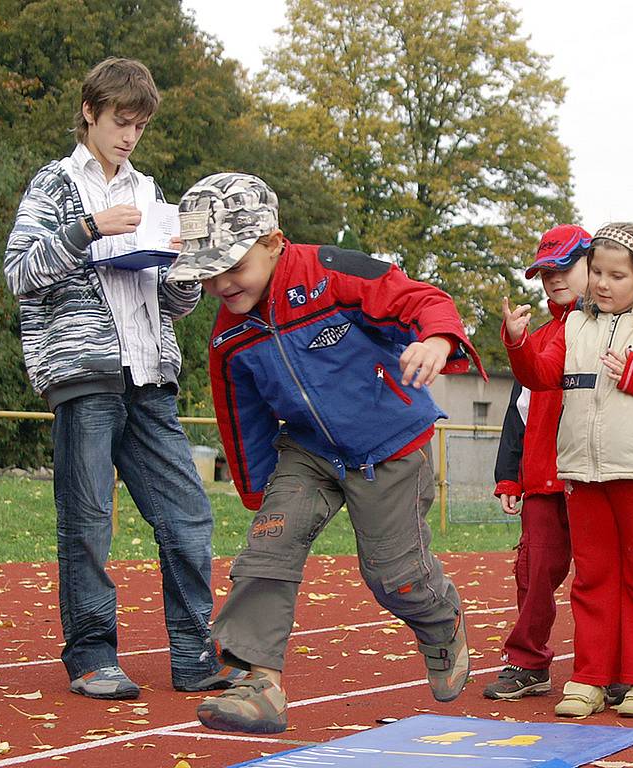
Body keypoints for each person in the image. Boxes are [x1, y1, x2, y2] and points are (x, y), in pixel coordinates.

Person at [165, 172, 487, 734]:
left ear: (272, 242)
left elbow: (419, 297)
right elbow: (240, 419)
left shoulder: (330, 274)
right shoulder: (229, 336)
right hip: (309, 452)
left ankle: (440, 621)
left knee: (393, 575)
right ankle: (257, 683)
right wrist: (259, 492)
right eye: (207, 275)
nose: (221, 285)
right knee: (269, 550)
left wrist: (437, 338)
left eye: (232, 267)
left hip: (389, 445)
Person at [4, 58, 236, 699]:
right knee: (88, 522)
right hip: (84, 374)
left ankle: (193, 656)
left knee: (188, 516)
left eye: (138, 125)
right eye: (119, 122)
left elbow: (173, 304)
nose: (129, 136)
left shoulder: (150, 191)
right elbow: (19, 273)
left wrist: (189, 269)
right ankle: (91, 658)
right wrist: (87, 230)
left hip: (150, 375)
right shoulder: (53, 186)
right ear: (89, 113)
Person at [502, 222, 633, 718]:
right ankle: (589, 677)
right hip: (583, 471)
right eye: (596, 271)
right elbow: (541, 375)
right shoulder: (576, 323)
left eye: (616, 275)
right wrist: (518, 343)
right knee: (592, 578)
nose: (600, 283)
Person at [484, 224, 590, 701]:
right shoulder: (539, 336)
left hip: (594, 478)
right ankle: (528, 663)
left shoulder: (611, 331)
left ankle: (601, 668)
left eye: (563, 266)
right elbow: (518, 412)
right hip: (543, 480)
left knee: (599, 576)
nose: (552, 278)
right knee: (532, 574)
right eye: (545, 271)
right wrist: (509, 476)